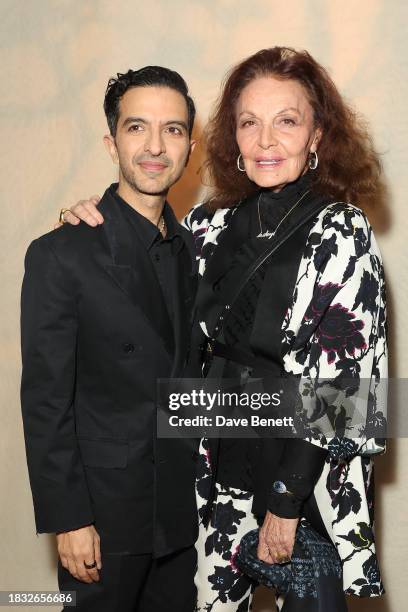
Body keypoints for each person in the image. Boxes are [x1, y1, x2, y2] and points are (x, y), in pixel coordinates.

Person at [63, 47, 387, 611]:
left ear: (316, 135)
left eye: (286, 121)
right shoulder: (207, 226)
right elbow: (148, 275)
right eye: (248, 123)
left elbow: (350, 390)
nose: (266, 142)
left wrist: (285, 502)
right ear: (231, 138)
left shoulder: (343, 228)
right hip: (212, 478)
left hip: (301, 481)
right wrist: (91, 222)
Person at [20, 66, 199, 612]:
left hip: (181, 514)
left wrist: (353, 414)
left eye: (172, 130)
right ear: (111, 141)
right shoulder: (61, 254)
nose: (154, 146)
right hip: (102, 521)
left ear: (190, 145)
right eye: (136, 127)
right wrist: (69, 517)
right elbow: (46, 400)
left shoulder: (200, 251)